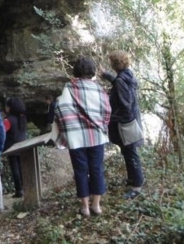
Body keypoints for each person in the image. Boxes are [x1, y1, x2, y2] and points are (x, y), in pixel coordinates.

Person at [55, 57, 111, 216]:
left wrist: (67, 130)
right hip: (97, 135)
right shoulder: (99, 88)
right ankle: (96, 205)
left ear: (76, 70)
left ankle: (85, 207)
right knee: (97, 168)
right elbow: (107, 111)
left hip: (76, 137)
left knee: (80, 170)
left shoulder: (69, 87)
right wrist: (102, 125)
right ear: (92, 71)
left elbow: (61, 109)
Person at [100, 50, 145, 200]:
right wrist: (107, 76)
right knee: (127, 151)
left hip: (125, 124)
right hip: (130, 121)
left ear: (115, 64)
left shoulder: (121, 80)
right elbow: (120, 84)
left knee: (131, 152)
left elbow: (125, 106)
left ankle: (137, 186)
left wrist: (109, 118)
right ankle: (132, 179)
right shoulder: (128, 75)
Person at [3, 97, 27, 198]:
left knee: (15, 169)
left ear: (10, 108)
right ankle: (25, 187)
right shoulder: (23, 118)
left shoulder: (8, 120)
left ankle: (19, 190)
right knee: (22, 168)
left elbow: (1, 132)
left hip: (12, 147)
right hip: (22, 145)